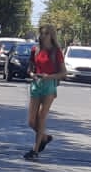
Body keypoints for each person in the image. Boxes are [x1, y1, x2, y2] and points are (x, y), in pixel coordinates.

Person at [24, 23, 67, 160]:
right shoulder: (35, 49)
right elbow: (30, 69)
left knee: (41, 117)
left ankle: (35, 150)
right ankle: (44, 137)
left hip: (49, 85)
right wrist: (33, 74)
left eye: (46, 33)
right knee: (31, 121)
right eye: (42, 33)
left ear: (52, 35)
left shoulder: (56, 52)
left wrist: (49, 77)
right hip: (36, 84)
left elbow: (63, 73)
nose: (43, 36)